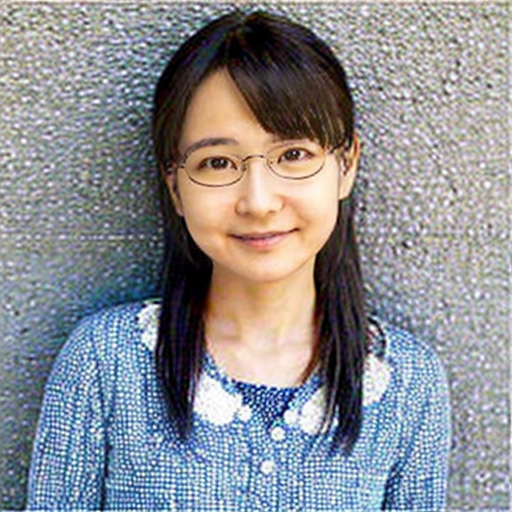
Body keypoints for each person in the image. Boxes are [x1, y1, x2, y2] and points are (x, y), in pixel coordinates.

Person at [27, 10, 451, 511]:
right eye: (217, 163)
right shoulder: (105, 360)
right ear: (174, 185)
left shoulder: (408, 383)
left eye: (293, 155)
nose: (258, 201)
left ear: (346, 164)